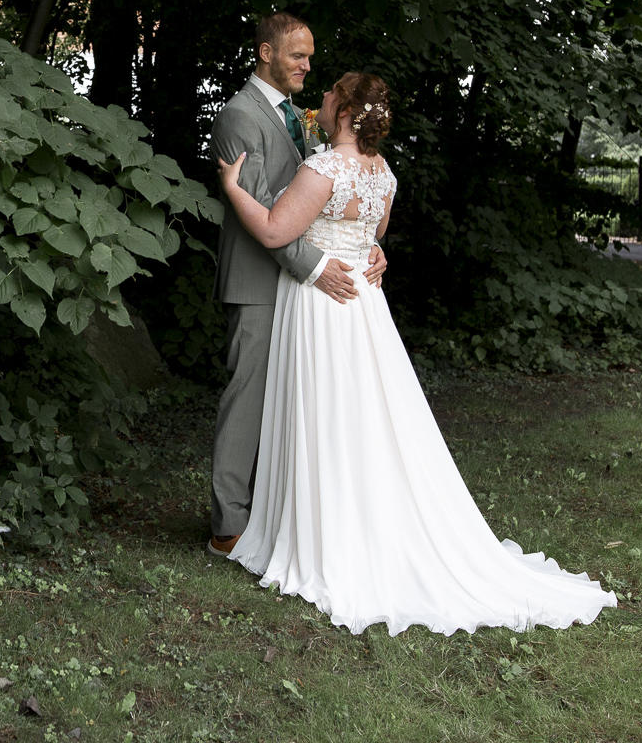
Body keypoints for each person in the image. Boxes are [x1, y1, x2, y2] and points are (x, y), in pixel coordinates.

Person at [215, 71, 616, 636]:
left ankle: (328, 530)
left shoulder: (323, 168)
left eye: (331, 94)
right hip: (363, 307)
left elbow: (278, 232)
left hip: (323, 305)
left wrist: (233, 188)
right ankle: (358, 518)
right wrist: (374, 253)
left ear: (346, 112)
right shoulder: (383, 172)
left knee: (327, 413)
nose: (321, 97)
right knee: (365, 417)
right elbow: (372, 233)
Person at [205, 13, 385, 560]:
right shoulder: (239, 116)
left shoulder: (295, 117)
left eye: (310, 56)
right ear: (266, 53)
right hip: (261, 280)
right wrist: (317, 265)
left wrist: (365, 248)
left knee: (297, 400)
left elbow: (326, 200)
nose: (308, 65)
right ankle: (228, 525)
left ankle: (280, 514)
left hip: (302, 287)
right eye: (297, 56)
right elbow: (261, 209)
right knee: (249, 398)